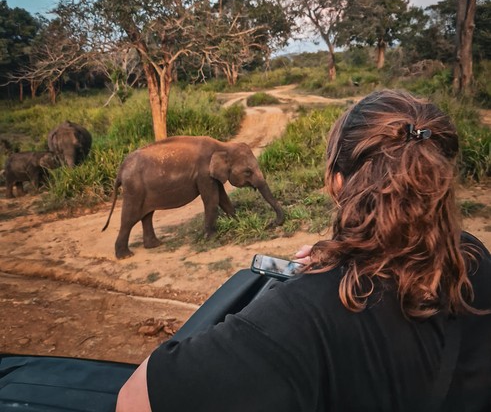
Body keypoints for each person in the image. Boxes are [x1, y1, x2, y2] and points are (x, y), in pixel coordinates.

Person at [116, 89, 491, 412]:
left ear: (336, 183)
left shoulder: (304, 315)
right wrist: (344, 260)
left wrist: (300, 292)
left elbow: (132, 400)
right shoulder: (473, 256)